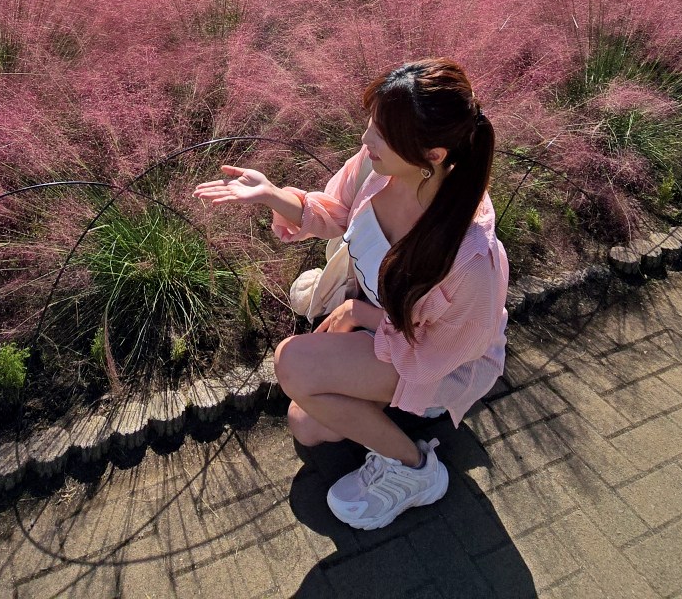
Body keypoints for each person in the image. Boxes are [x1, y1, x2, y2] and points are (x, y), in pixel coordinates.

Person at [195, 58, 509, 530]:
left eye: (382, 133)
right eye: (372, 123)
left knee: (294, 364)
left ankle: (417, 470)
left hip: (431, 360)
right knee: (306, 423)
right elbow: (337, 209)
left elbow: (437, 355)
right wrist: (271, 194)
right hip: (386, 326)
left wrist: (361, 315)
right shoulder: (376, 168)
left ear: (435, 155)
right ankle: (387, 418)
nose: (366, 140)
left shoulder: (469, 256)